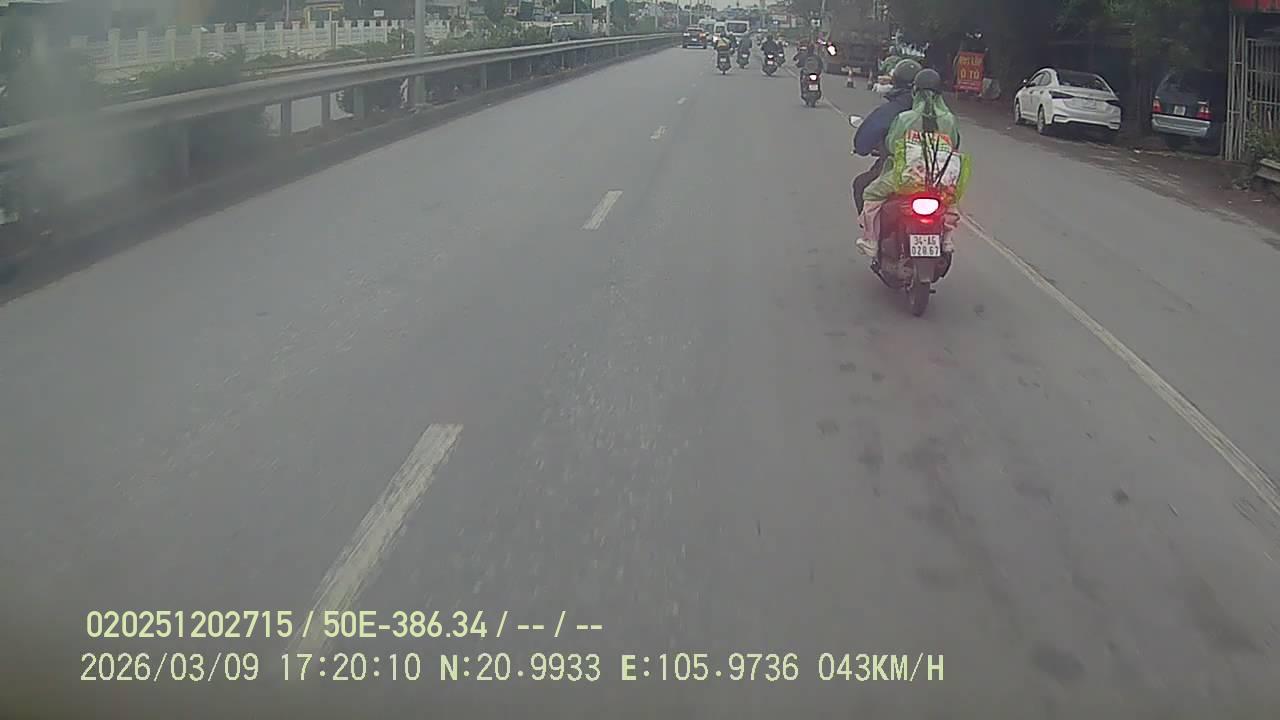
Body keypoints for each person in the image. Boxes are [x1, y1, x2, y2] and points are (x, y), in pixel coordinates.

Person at [856, 68, 966, 258]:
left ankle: (871, 241)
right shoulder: (949, 120)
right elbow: (955, 144)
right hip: (940, 180)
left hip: (907, 177)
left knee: (870, 193)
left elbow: (892, 145)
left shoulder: (905, 118)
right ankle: (947, 240)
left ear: (915, 91)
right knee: (951, 201)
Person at [851, 59, 921, 215]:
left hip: (900, 170)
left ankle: (869, 228)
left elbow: (865, 140)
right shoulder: (942, 114)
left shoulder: (895, 110)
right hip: (935, 174)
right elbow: (955, 142)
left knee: (862, 186)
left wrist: (864, 148)